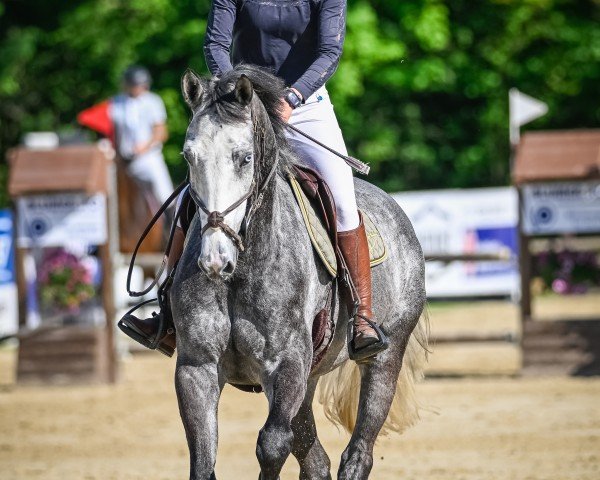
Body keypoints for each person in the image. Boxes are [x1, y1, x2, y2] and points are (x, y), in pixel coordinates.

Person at [119, 0, 387, 361]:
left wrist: (292, 96)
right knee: (195, 192)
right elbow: (215, 45)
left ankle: (362, 318)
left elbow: (329, 52)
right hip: (240, 103)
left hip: (304, 105)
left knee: (342, 199)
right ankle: (165, 312)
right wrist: (232, 92)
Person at [110, 66, 174, 206]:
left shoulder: (153, 101)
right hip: (122, 160)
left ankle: (172, 223)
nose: (140, 88)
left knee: (165, 195)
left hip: (148, 158)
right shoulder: (116, 102)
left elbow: (161, 131)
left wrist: (144, 147)